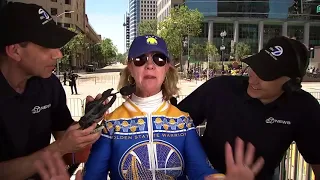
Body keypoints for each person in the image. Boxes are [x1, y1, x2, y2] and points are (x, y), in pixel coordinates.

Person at [82, 35, 264, 180]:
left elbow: (200, 172)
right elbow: (93, 176)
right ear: (130, 67)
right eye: (140, 59)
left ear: (167, 67)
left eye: (159, 59)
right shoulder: (110, 123)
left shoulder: (183, 121)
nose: (150, 65)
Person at [177, 36, 320, 180]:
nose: (252, 78)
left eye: (266, 75)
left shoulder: (305, 108)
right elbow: (170, 126)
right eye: (256, 67)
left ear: (291, 84)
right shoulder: (219, 88)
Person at [0, 2, 101, 180]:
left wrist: (87, 122)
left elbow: (66, 135)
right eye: (47, 45)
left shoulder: (49, 84)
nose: (58, 55)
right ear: (15, 51)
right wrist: (59, 147)